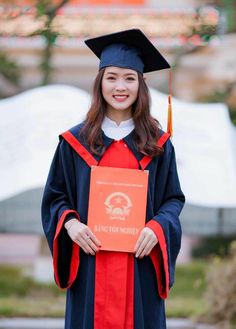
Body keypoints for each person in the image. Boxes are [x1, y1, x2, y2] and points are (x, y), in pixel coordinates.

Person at [41, 28, 185, 329]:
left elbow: (172, 199)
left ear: (140, 85)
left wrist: (157, 228)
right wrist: (71, 224)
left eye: (129, 78)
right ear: (100, 83)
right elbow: (56, 196)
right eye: (112, 77)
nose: (120, 87)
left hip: (139, 264)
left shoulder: (158, 144)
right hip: (91, 265)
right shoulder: (74, 142)